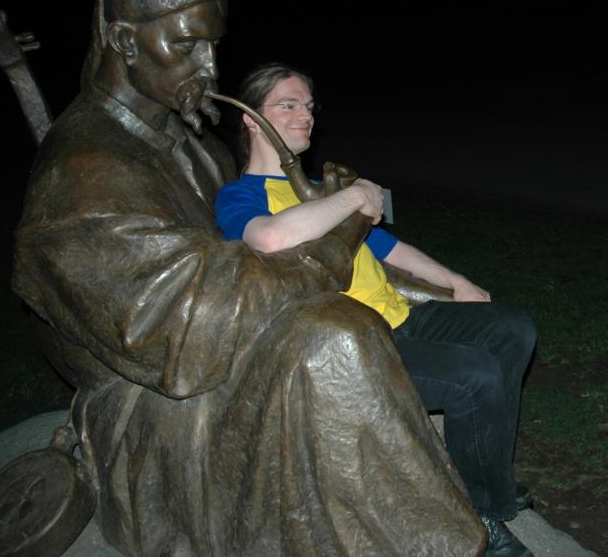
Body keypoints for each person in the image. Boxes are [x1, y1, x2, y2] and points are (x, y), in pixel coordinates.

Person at [13, 0, 488, 555]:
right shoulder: (82, 171)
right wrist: (335, 242)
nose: (209, 65)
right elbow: (186, 327)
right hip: (160, 397)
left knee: (351, 324)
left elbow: (262, 248)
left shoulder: (195, 146)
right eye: (186, 45)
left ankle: (433, 525)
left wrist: (430, 277)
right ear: (124, 41)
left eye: (213, 43)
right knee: (335, 335)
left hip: (237, 336)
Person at [214, 64, 538, 557]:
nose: (306, 116)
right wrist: (353, 195)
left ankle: (492, 483)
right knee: (476, 377)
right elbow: (271, 238)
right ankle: (475, 518)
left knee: (514, 327)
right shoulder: (241, 195)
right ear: (251, 121)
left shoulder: (319, 188)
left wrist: (455, 281)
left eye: (308, 106)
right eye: (288, 105)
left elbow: (389, 248)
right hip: (360, 345)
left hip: (401, 315)